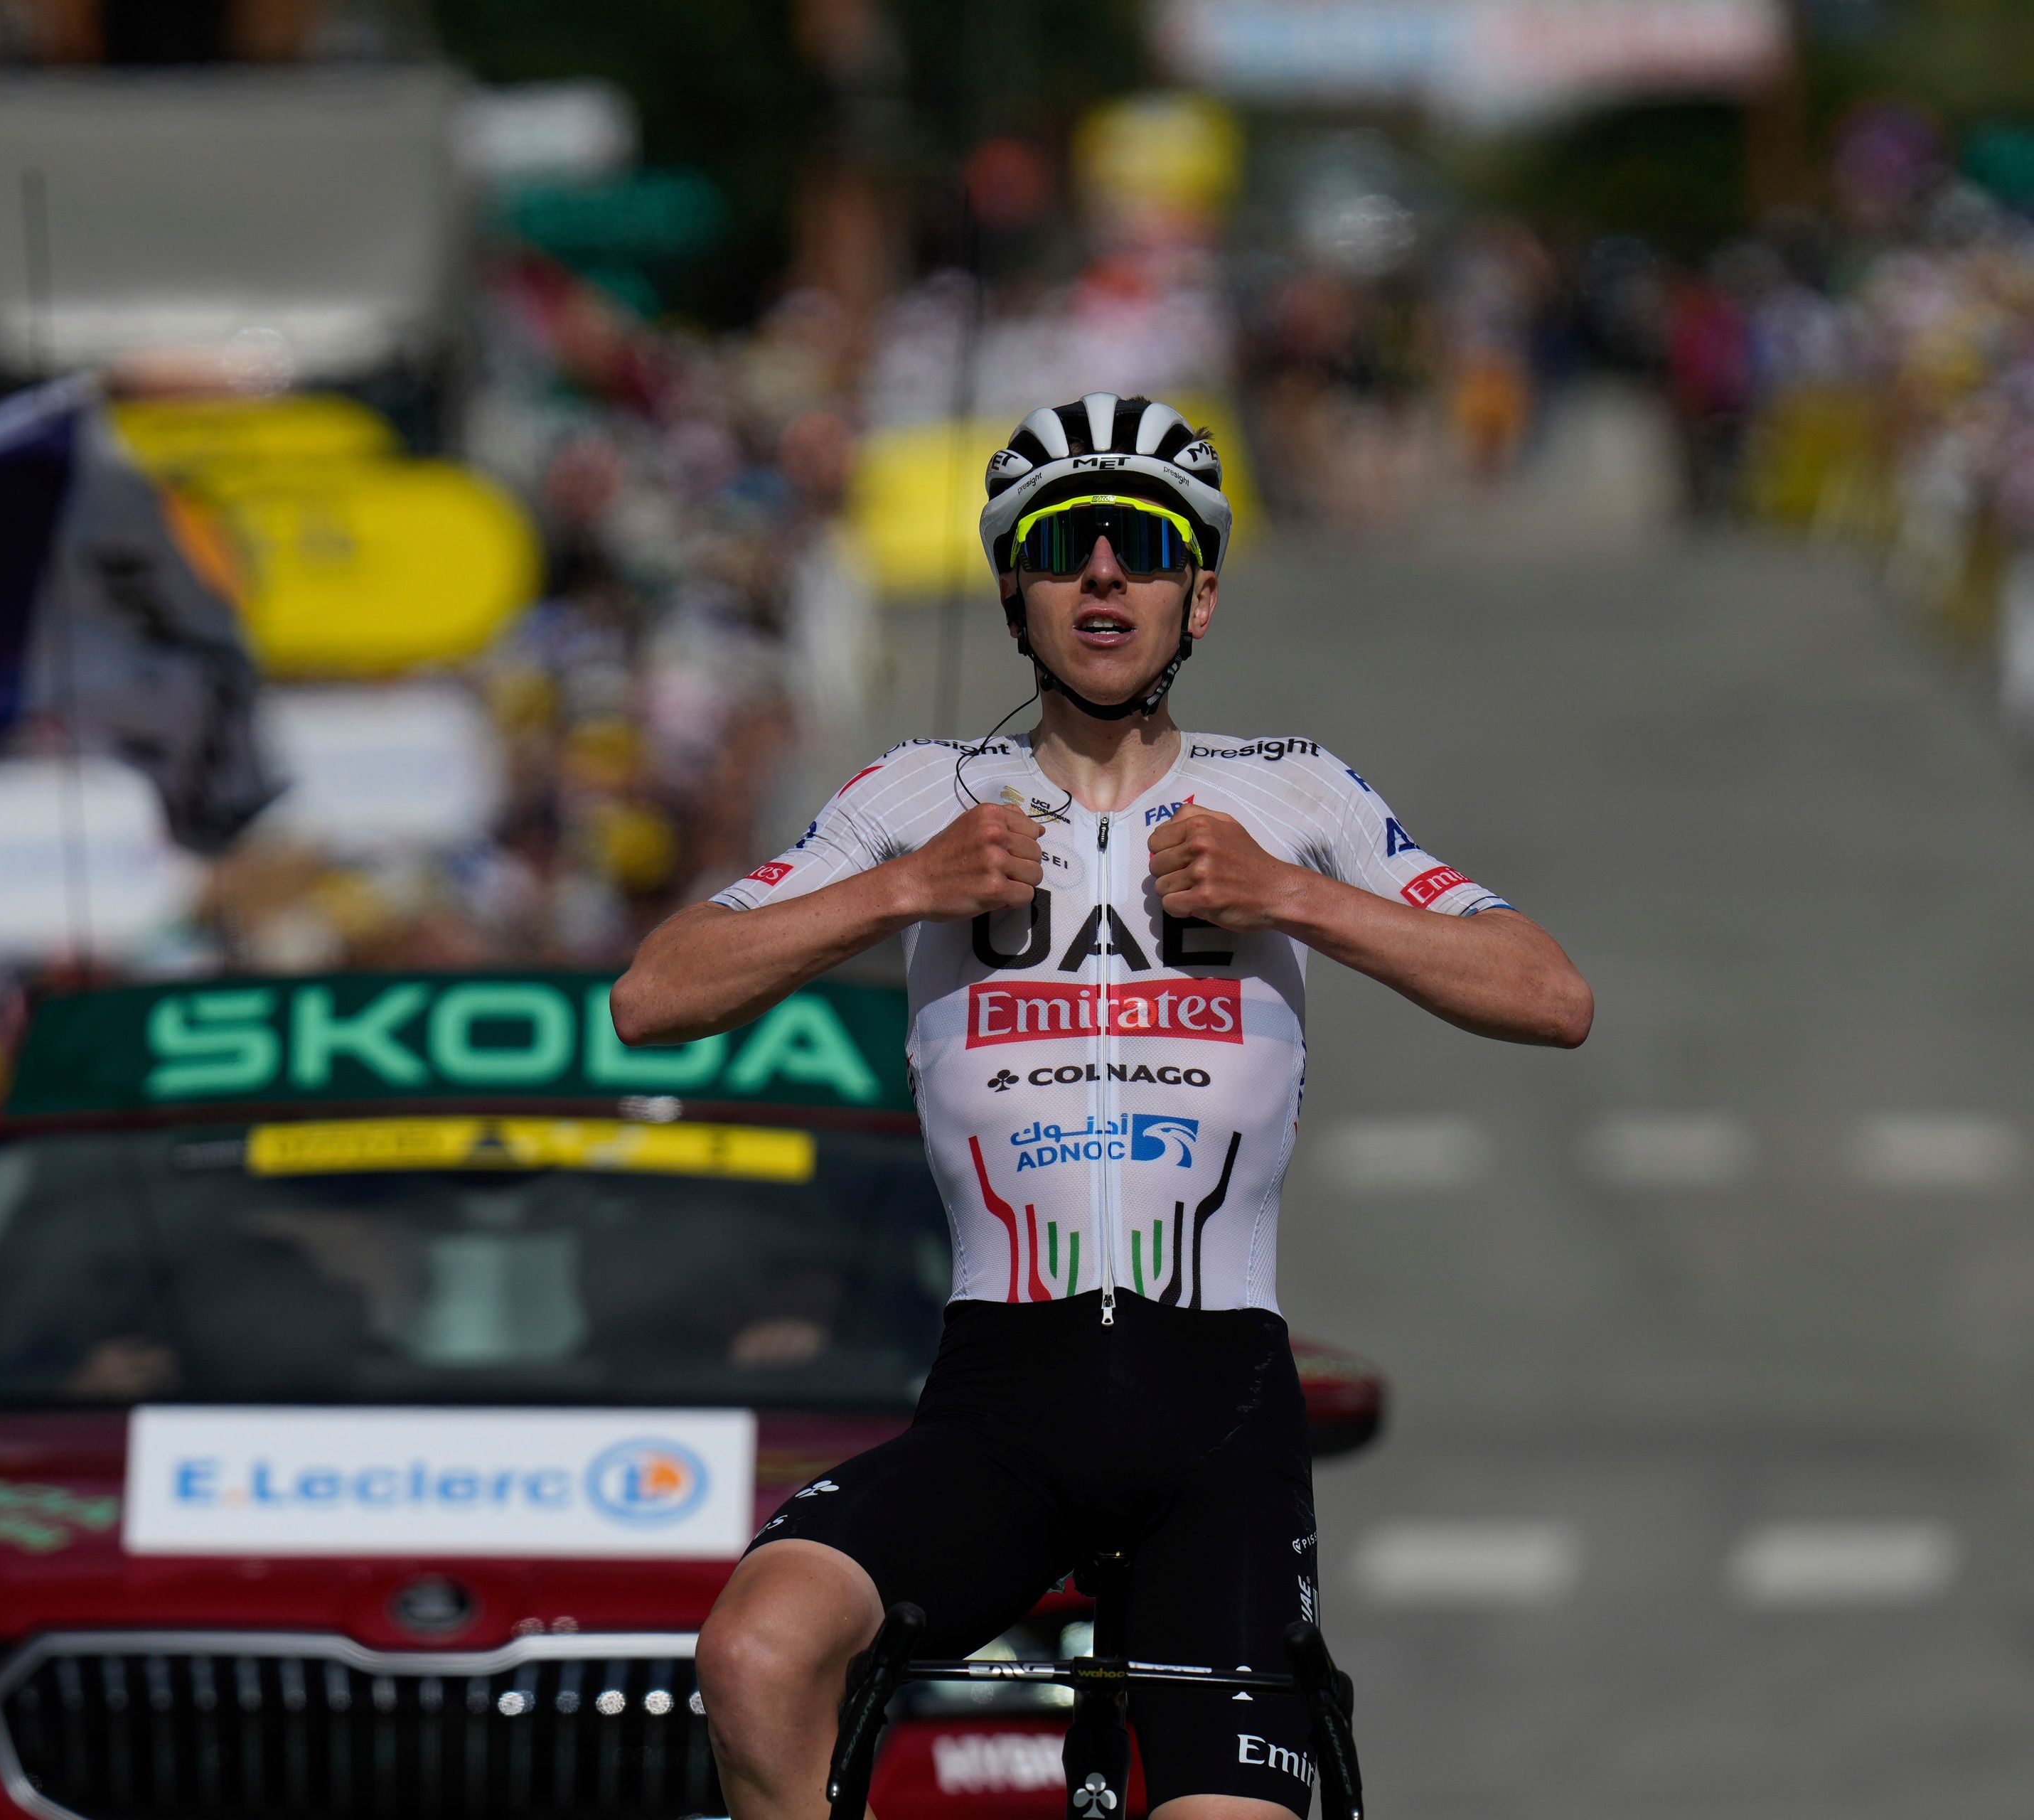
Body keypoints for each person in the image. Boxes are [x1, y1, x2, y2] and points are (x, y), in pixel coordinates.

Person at [611, 393, 1592, 1820]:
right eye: (1070, 544)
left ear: (1200, 596)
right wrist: (905, 889)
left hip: (1220, 1413)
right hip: (1001, 1403)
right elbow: (656, 991)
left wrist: (1290, 896)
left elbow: (1548, 990)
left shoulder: (1292, 791)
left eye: (1148, 545)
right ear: (1018, 586)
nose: (1108, 573)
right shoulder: (921, 795)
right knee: (758, 1651)